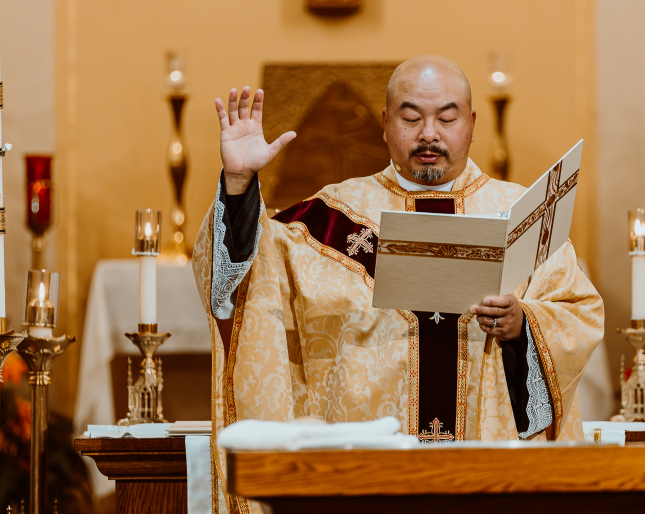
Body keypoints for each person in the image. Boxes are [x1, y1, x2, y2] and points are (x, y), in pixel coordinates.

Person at [192, 54, 603, 490]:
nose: (429, 134)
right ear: (386, 124)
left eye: (447, 118)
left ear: (471, 125)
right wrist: (238, 185)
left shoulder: (524, 216)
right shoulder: (321, 222)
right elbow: (241, 288)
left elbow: (576, 314)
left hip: (488, 479)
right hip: (363, 481)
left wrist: (523, 325)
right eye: (411, 118)